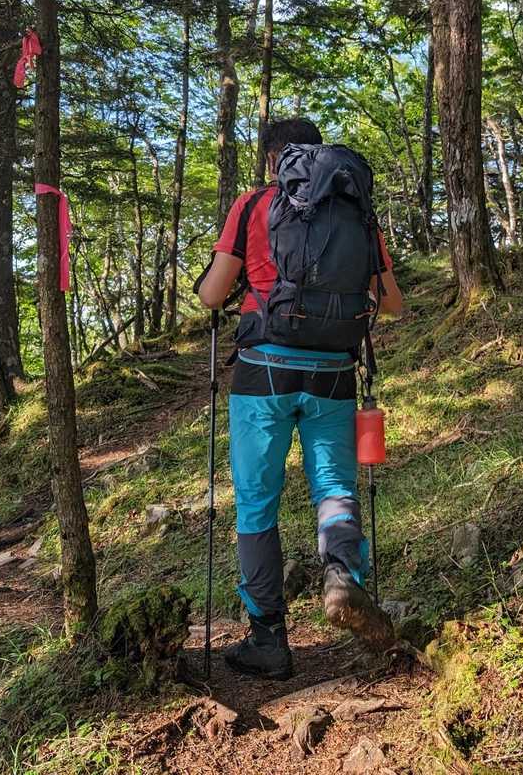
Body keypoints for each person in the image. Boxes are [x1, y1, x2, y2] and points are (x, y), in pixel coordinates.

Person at [199, 117, 403, 680]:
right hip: (333, 370)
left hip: (262, 372)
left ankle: (268, 638)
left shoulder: (253, 205)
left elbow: (213, 294)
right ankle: (341, 578)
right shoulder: (354, 209)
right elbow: (391, 303)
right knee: (334, 487)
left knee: (256, 502)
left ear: (273, 160)